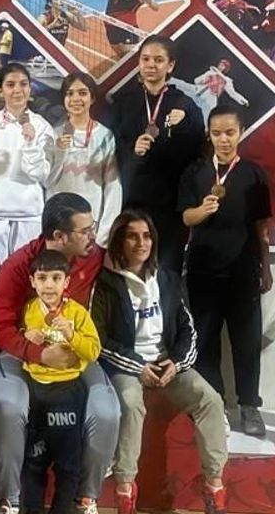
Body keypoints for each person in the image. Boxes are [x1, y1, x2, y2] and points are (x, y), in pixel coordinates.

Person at [90, 211, 229, 514]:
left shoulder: (167, 279)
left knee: (210, 400)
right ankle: (125, 489)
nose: (141, 243)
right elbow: (98, 340)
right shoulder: (104, 283)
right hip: (127, 367)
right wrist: (138, 367)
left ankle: (214, 486)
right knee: (130, 403)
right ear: (119, 241)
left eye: (147, 236)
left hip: (166, 363)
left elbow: (188, 329)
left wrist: (176, 364)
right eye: (132, 236)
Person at [0, 193, 116, 514]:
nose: (93, 236)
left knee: (107, 412)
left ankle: (86, 499)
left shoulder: (92, 256)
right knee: (8, 407)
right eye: (85, 231)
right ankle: (10, 500)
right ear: (59, 236)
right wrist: (38, 353)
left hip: (74, 351)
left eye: (93, 228)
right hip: (23, 352)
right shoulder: (18, 267)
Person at [178, 104, 273, 436]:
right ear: (209, 135)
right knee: (205, 342)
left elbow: (261, 226)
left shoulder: (254, 174)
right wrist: (201, 210)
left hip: (243, 270)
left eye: (230, 132)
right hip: (203, 270)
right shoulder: (195, 172)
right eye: (217, 133)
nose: (223, 139)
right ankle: (214, 405)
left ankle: (249, 406)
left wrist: (265, 266)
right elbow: (185, 217)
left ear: (241, 132)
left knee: (247, 342)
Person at [111, 36, 205, 273]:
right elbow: (109, 149)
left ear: (170, 65)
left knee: (166, 274)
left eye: (158, 60)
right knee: (131, 271)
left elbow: (198, 152)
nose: (151, 65)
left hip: (170, 206)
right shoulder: (123, 102)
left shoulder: (185, 105)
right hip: (133, 203)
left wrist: (183, 126)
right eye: (145, 59)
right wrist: (132, 149)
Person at [17, 250, 101, 514]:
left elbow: (94, 351)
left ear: (67, 282)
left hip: (67, 392)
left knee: (67, 465)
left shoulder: (77, 313)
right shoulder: (28, 310)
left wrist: (73, 336)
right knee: (33, 461)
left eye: (56, 278)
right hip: (35, 391)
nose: (49, 285)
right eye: (42, 278)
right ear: (32, 281)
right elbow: (15, 340)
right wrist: (25, 335)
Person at [0, 62, 55, 261]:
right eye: (10, 84)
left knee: (25, 271)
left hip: (30, 214)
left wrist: (30, 141)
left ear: (30, 89)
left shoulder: (42, 126)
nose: (17, 90)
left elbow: (43, 175)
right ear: (0, 90)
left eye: (23, 84)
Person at [48, 72, 121, 246]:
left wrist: (104, 233)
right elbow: (48, 182)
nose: (76, 99)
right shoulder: (52, 134)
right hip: (59, 226)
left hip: (92, 226)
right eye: (70, 93)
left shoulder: (104, 136)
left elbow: (113, 186)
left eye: (82, 93)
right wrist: (60, 151)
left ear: (92, 98)